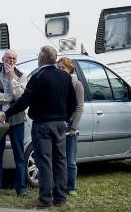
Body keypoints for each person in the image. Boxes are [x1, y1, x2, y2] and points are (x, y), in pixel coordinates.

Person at [0, 44, 76, 208]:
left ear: (41, 58)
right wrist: (66, 118)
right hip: (60, 124)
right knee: (60, 161)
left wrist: (6, 114)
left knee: (44, 162)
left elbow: (24, 101)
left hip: (42, 125)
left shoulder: (38, 76)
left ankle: (45, 199)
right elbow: (73, 102)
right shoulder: (65, 76)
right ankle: (60, 198)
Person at [0, 49, 27, 196]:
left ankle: (21, 188)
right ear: (2, 59)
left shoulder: (21, 76)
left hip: (16, 119)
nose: (11, 61)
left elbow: (20, 96)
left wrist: (11, 78)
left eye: (14, 58)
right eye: (8, 58)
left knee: (19, 155)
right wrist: (10, 97)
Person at [57, 58, 85, 197]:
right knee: (58, 158)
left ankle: (71, 187)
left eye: (63, 67)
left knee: (71, 160)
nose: (60, 70)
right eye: (59, 67)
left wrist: (74, 127)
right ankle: (58, 186)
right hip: (57, 124)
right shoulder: (56, 83)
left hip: (70, 126)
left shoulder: (77, 84)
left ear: (70, 69)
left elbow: (79, 107)